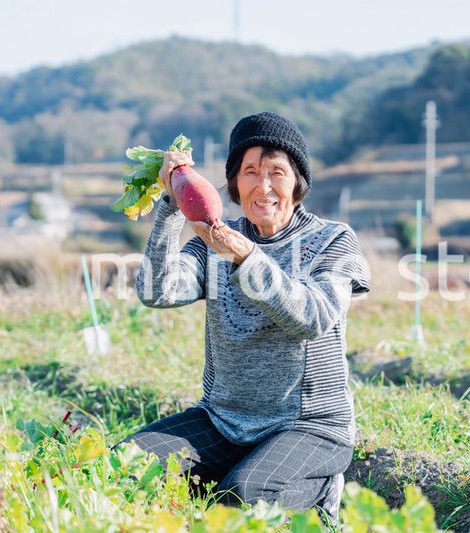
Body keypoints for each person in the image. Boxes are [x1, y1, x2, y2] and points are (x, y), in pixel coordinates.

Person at [123, 111, 370, 524]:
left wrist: (245, 257)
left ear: (298, 182)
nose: (264, 186)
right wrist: (170, 207)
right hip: (223, 421)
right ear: (235, 181)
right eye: (250, 171)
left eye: (278, 172)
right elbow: (157, 291)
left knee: (244, 496)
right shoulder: (214, 238)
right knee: (128, 467)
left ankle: (323, 489)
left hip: (310, 426)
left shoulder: (333, 240)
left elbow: (314, 316)